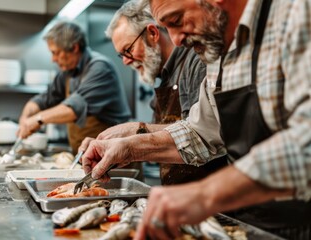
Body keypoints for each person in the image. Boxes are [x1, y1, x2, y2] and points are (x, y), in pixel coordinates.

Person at [81, 0, 311, 239]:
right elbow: (200, 133)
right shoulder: (219, 52)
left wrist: (205, 194)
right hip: (251, 222)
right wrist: (129, 148)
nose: (176, 40)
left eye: (177, 20)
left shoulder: (296, 13)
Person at [92, 0, 227, 185]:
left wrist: (136, 132)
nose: (125, 61)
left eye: (128, 50)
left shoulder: (196, 60)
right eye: (121, 55)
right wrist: (120, 145)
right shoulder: (164, 77)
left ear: (153, 33)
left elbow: (202, 134)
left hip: (215, 194)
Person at [17, 21, 131, 155]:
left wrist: (37, 119)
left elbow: (74, 108)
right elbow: (43, 100)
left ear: (74, 47)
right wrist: (25, 118)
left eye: (56, 52)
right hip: (88, 156)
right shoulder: (67, 73)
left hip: (117, 157)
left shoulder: (100, 68)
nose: (53, 59)